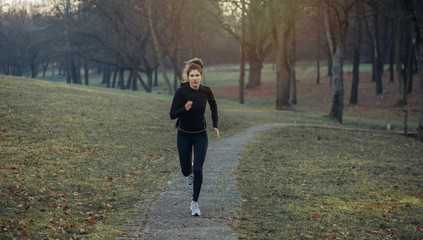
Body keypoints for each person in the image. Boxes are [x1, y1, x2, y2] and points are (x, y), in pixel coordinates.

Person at [169, 58, 220, 216]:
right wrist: (184, 109)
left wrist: (215, 125)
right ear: (188, 76)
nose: (195, 78)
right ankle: (189, 171)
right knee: (186, 171)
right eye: (192, 75)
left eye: (198, 75)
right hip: (183, 135)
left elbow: (213, 105)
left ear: (201, 75)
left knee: (198, 169)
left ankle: (195, 203)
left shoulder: (206, 91)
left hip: (200, 135)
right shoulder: (181, 92)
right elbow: (172, 114)